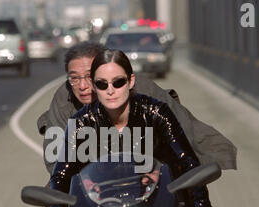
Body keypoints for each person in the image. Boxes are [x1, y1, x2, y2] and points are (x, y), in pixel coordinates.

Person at [46, 49, 219, 207]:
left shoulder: (157, 112)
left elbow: (185, 160)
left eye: (118, 82)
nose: (110, 89)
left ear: (131, 81)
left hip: (159, 201)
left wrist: (200, 202)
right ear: (94, 87)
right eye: (102, 84)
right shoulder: (81, 123)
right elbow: (61, 175)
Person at [37, 42, 237, 175]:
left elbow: (181, 135)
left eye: (90, 77)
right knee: (55, 200)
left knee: (188, 195)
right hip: (94, 176)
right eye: (74, 78)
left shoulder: (144, 90)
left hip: (154, 164)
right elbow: (55, 158)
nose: (82, 86)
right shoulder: (64, 98)